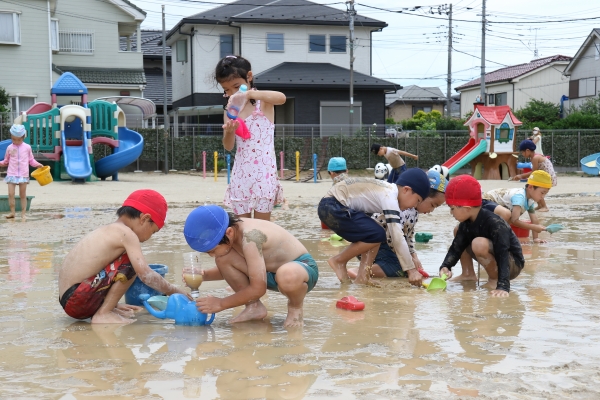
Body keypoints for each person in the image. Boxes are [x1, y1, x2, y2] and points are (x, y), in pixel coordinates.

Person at [58, 190, 187, 324]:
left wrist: (114, 304)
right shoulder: (127, 235)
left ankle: (107, 307)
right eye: (153, 232)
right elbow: (145, 274)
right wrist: (174, 290)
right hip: (78, 300)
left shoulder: (111, 230)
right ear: (144, 219)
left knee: (127, 260)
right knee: (132, 263)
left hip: (72, 298)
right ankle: (104, 314)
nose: (149, 237)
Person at [184, 205, 318, 328]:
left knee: (287, 274)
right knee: (223, 259)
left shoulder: (250, 237)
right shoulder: (230, 232)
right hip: (268, 273)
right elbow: (241, 267)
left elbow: (258, 288)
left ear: (229, 233)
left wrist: (221, 303)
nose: (211, 255)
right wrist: (204, 275)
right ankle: (253, 306)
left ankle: (295, 307)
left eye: (212, 251)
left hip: (301, 269)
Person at [317, 168, 431, 286]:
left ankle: (363, 276)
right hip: (333, 206)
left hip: (332, 206)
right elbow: (397, 237)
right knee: (377, 234)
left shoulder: (388, 191)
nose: (415, 206)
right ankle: (339, 260)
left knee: (375, 233)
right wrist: (411, 270)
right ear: (406, 190)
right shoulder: (390, 196)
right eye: (417, 200)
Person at [216, 55, 286, 221]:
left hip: (264, 173)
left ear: (249, 76)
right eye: (227, 90)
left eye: (236, 86)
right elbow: (228, 146)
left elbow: (281, 98)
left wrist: (248, 95)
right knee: (242, 226)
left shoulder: (263, 102)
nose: (232, 93)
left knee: (262, 226)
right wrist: (230, 132)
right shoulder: (230, 111)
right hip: (241, 174)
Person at [348, 169, 447, 280]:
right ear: (422, 195)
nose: (431, 210)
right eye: (433, 205)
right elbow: (395, 238)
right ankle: (357, 272)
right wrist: (409, 263)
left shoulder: (412, 210)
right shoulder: (404, 208)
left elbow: (408, 236)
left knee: (404, 264)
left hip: (378, 244)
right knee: (398, 268)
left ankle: (365, 270)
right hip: (371, 243)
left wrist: (414, 256)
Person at [439, 175, 525, 297]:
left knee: (478, 243)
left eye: (452, 208)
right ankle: (468, 274)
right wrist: (446, 266)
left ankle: (494, 281)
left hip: (512, 264)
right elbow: (456, 247)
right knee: (460, 234)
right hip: (499, 260)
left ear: (467, 208)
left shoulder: (495, 223)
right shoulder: (466, 224)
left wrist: (503, 286)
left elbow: (503, 253)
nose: (451, 213)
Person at [483, 170, 553, 243]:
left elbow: (534, 220)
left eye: (545, 194)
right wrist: (533, 227)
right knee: (507, 214)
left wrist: (536, 238)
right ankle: (494, 237)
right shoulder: (520, 196)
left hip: (494, 209)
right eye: (542, 193)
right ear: (530, 187)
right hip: (485, 202)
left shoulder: (530, 201)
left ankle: (498, 236)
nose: (543, 197)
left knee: (509, 217)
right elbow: (515, 221)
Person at [0, 124, 44, 220]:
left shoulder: (27, 147)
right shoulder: (9, 148)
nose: (16, 141)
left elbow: (31, 160)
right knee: (11, 194)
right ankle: (12, 213)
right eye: (14, 139)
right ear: (11, 137)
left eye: (19, 140)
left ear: (23, 137)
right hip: (11, 174)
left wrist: (38, 164)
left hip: (23, 175)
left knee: (22, 195)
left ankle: (23, 214)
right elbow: (6, 161)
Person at [509, 140, 557, 212]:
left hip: (547, 178)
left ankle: (544, 206)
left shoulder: (535, 158)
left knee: (537, 190)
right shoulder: (535, 156)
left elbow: (534, 172)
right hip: (544, 176)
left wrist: (521, 176)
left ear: (527, 150)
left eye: (522, 152)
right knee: (533, 187)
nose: (522, 154)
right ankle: (540, 205)